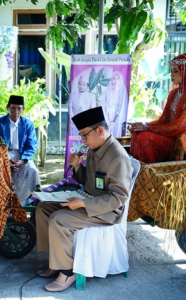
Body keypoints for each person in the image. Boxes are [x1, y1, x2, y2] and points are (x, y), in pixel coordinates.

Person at [35, 106, 131, 292]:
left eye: (85, 135)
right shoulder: (96, 148)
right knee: (43, 209)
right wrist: (78, 167)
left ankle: (68, 271)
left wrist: (83, 204)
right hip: (88, 200)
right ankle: (55, 262)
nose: (83, 140)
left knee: (59, 220)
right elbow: (89, 181)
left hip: (106, 212)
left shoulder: (117, 156)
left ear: (100, 130)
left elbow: (119, 198)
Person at [128, 53, 186, 163]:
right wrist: (142, 125)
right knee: (136, 134)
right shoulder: (173, 93)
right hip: (168, 135)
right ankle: (140, 173)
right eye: (171, 71)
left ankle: (152, 173)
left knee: (144, 137)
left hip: (179, 141)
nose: (171, 75)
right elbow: (163, 120)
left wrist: (148, 128)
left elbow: (179, 126)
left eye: (175, 71)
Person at [0, 95, 40, 205]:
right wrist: (5, 161)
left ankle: (24, 202)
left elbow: (32, 145)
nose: (16, 111)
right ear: (7, 108)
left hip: (23, 156)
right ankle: (2, 203)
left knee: (33, 171)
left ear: (23, 109)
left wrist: (22, 161)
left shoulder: (28, 124)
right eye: (13, 108)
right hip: (4, 155)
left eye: (19, 108)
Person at [101, 70, 129, 137]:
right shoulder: (106, 91)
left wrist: (115, 122)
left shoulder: (122, 93)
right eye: (114, 78)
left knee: (115, 140)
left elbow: (122, 109)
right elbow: (103, 107)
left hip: (117, 123)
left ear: (120, 80)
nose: (115, 81)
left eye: (118, 78)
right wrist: (107, 121)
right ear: (111, 79)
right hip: (106, 122)